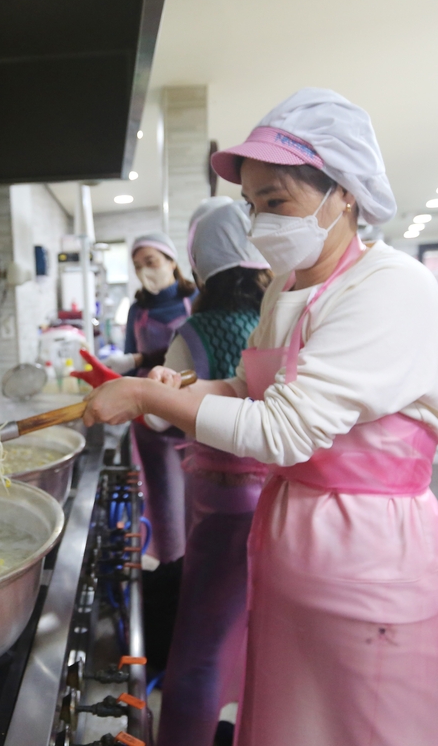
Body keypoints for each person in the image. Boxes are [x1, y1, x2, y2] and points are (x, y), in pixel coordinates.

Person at [83, 88, 438, 746]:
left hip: (369, 561)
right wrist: (178, 387)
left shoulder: (389, 286)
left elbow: (284, 431)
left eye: (277, 202)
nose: (260, 221)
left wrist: (150, 400)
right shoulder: (286, 286)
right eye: (253, 205)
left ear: (345, 194)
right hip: (289, 545)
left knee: (370, 722)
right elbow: (247, 388)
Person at [154, 202, 272, 746]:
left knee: (199, 647)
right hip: (274, 502)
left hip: (219, 504)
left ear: (200, 266)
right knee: (254, 642)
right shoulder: (277, 321)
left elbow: (158, 413)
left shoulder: (197, 328)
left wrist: (141, 387)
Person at [105, 232, 196, 565]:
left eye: (152, 262)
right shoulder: (137, 308)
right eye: (138, 265)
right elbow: (129, 361)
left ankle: (193, 559)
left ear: (172, 261)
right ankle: (169, 563)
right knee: (161, 495)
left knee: (195, 493)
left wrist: (138, 361)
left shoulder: (196, 299)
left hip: (189, 412)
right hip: (150, 419)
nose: (145, 271)